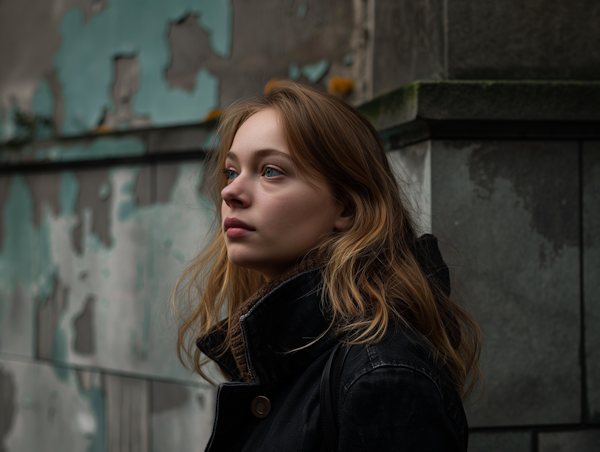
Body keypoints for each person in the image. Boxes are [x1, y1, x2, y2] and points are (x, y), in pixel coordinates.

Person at [173, 80, 482, 451]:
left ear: (346, 208)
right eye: (231, 171)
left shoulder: (383, 375)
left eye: (270, 171)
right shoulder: (296, 357)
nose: (229, 192)